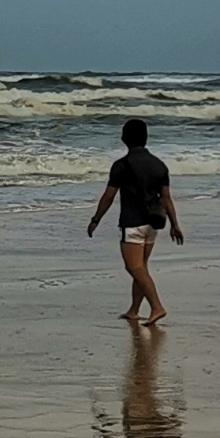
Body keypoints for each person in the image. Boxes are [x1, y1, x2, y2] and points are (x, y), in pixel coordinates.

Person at [86, 117, 182, 325]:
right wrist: (175, 225)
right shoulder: (159, 165)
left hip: (132, 223)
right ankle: (134, 310)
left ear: (124, 138)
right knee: (142, 267)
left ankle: (157, 307)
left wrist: (96, 219)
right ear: (146, 138)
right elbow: (166, 198)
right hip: (153, 224)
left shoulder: (121, 166)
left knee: (134, 268)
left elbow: (108, 197)